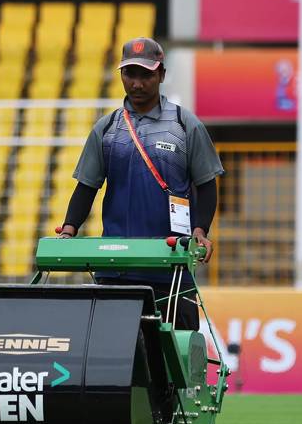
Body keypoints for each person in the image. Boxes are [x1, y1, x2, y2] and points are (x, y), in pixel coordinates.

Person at [57, 37, 224, 330]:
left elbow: (207, 184)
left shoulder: (186, 125)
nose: (137, 83)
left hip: (172, 269)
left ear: (161, 74)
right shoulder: (107, 128)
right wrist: (69, 230)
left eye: (145, 74)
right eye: (129, 74)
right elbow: (87, 187)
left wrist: (200, 230)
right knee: (115, 364)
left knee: (177, 362)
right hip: (115, 270)